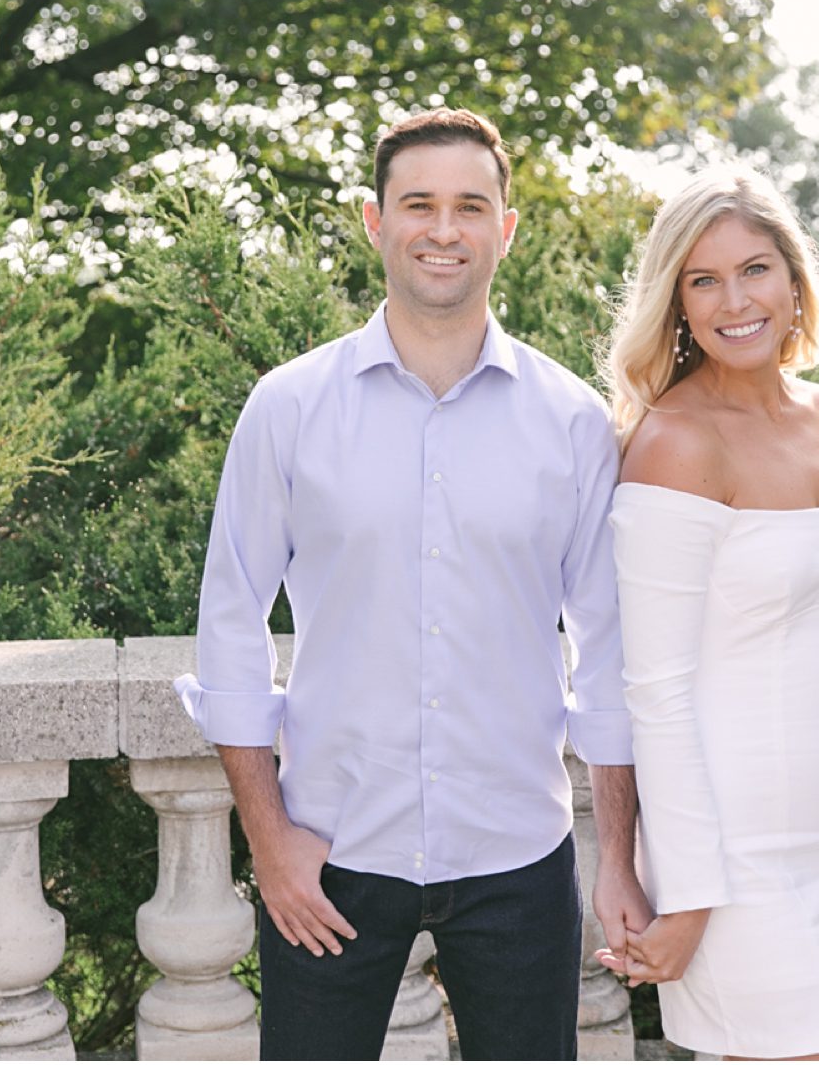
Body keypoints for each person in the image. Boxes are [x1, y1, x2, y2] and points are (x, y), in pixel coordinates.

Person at [173, 109, 651, 1061]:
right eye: (418, 204)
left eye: (470, 205)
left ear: (505, 228)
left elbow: (609, 657)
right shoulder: (290, 408)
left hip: (517, 856)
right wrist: (269, 841)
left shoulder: (570, 423)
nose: (444, 228)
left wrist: (619, 858)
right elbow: (229, 626)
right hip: (330, 853)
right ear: (373, 220)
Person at [593, 171, 819, 1062]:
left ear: (795, 280)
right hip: (731, 851)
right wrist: (691, 894)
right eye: (703, 280)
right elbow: (653, 691)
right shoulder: (673, 447)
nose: (735, 300)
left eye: (755, 269)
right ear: (676, 305)